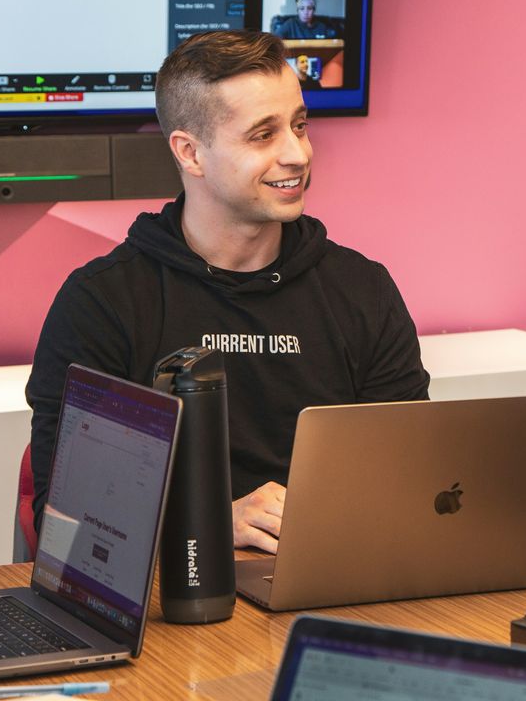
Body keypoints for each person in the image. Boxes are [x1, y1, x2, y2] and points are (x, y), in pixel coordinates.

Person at [25, 30, 429, 553]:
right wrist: (210, 526)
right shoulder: (103, 302)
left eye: (299, 127)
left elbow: (414, 483)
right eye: (263, 135)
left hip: (332, 575)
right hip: (171, 596)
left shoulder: (361, 290)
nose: (297, 154)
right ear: (190, 153)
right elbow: (64, 521)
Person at [273, 0, 340, 40]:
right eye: (302, 9)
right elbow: (274, 39)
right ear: (298, 11)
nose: (306, 12)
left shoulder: (321, 26)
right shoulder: (290, 23)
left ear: (314, 10)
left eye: (309, 8)